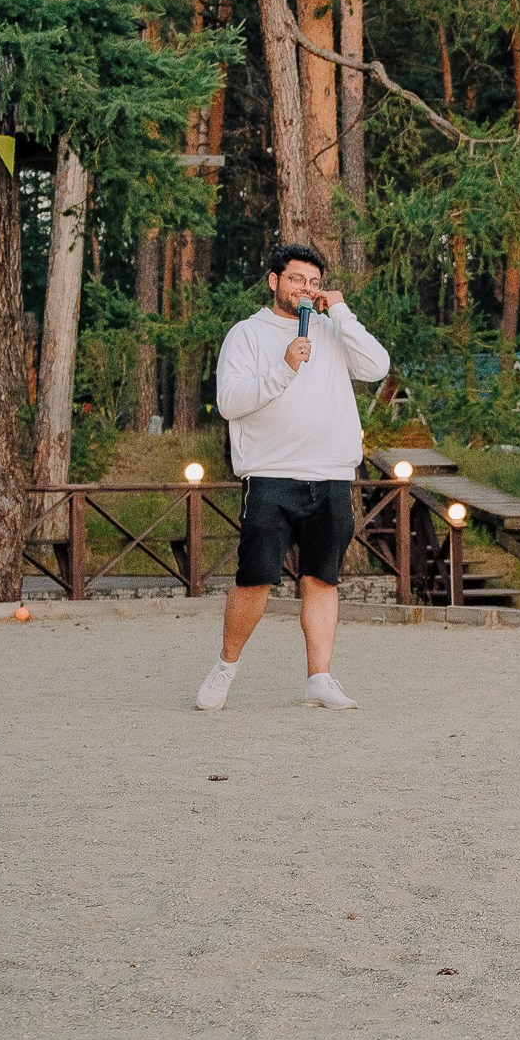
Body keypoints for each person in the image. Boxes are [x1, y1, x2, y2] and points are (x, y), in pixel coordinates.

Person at [195, 243, 392, 713]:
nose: (305, 288)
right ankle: (225, 667)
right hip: (270, 475)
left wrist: (341, 312)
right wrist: (284, 368)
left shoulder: (331, 329)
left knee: (321, 579)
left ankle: (319, 678)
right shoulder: (246, 334)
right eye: (296, 279)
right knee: (255, 579)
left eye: (313, 282)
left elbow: (377, 367)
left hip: (330, 476)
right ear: (274, 281)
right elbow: (230, 402)